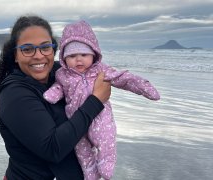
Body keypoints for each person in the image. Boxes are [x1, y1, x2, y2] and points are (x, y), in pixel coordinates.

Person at [0, 15, 111, 180]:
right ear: (15, 55)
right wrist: (96, 101)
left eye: (45, 47)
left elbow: (93, 72)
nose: (39, 56)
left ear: (54, 50)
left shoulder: (60, 73)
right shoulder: (14, 94)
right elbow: (53, 148)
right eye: (27, 49)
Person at [43, 20, 160, 180]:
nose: (78, 60)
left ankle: (106, 162)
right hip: (75, 119)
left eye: (83, 55)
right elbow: (59, 87)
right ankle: (90, 169)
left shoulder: (101, 70)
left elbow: (123, 78)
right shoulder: (63, 75)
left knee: (105, 140)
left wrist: (144, 87)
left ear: (93, 54)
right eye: (72, 56)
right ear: (64, 58)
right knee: (80, 148)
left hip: (101, 117)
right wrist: (52, 94)